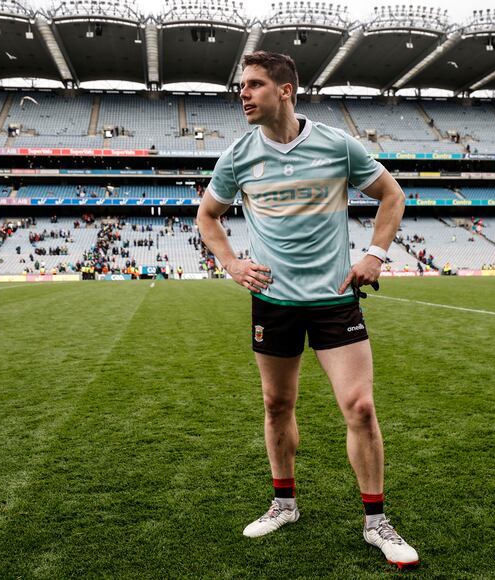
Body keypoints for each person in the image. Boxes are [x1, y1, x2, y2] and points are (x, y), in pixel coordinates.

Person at [196, 51, 418, 569]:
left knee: (360, 408)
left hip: (333, 299)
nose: (243, 94)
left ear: (285, 90)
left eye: (254, 85)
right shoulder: (237, 155)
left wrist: (375, 254)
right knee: (276, 405)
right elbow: (208, 215)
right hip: (273, 302)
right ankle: (284, 504)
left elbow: (391, 195)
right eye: (241, 86)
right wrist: (232, 263)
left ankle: (377, 522)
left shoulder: (337, 144)